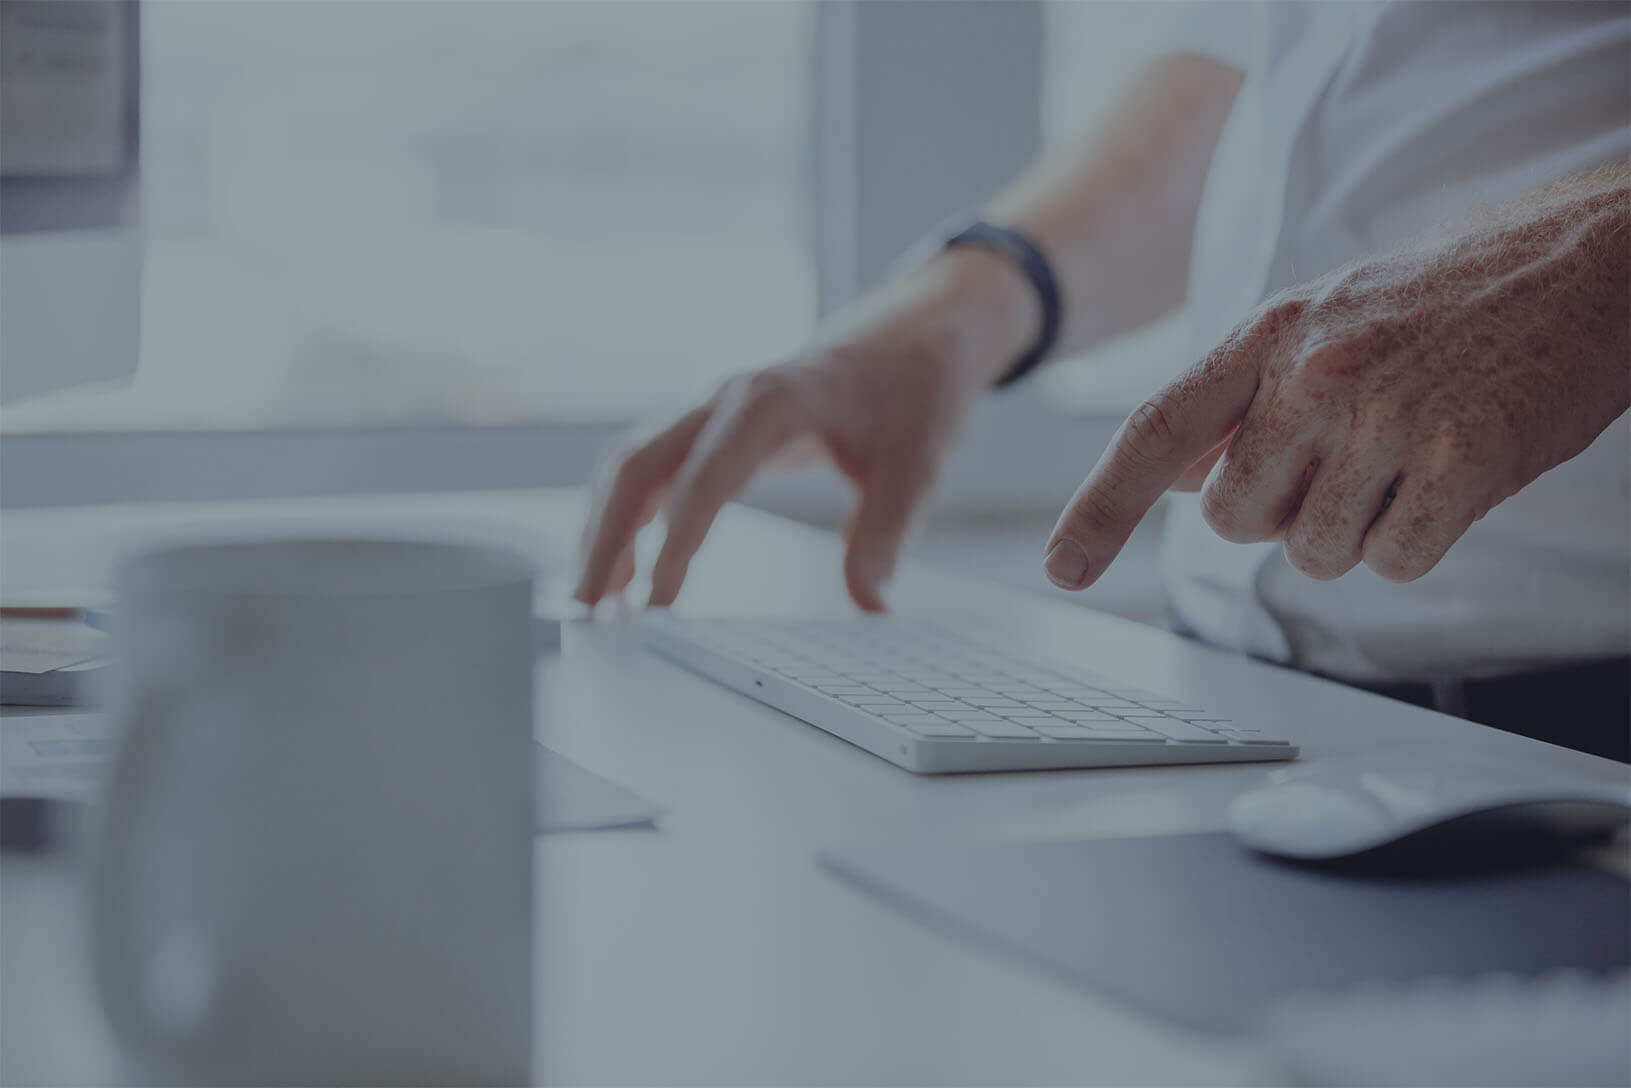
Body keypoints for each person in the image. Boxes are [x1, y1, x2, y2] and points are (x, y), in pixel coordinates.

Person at [575, 2, 1631, 760]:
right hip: (1241, 708)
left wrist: (1598, 263)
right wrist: (958, 310)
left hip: (1586, 722)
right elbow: (1260, 79)